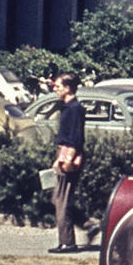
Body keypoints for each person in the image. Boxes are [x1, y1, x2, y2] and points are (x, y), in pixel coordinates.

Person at [49, 72, 86, 253]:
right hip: (64, 153)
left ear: (68, 88)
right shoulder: (67, 107)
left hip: (68, 155)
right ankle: (88, 224)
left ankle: (67, 242)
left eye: (57, 86)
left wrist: (67, 159)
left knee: (62, 200)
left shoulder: (73, 109)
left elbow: (75, 138)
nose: (55, 89)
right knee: (58, 198)